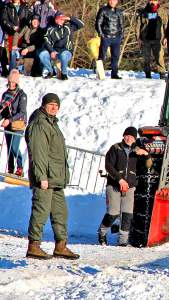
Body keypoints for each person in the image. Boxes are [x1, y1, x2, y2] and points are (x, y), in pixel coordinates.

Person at [25, 93, 79, 260]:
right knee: (41, 211)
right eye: (51, 104)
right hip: (45, 178)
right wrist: (41, 177)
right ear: (44, 105)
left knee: (60, 212)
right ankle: (34, 245)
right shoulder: (40, 124)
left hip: (55, 178)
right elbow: (38, 152)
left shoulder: (52, 123)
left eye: (56, 104)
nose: (54, 107)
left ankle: (61, 246)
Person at [97, 127, 148, 246]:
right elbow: (108, 166)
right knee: (113, 212)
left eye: (132, 136)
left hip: (129, 187)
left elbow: (148, 165)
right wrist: (119, 180)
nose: (129, 138)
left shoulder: (137, 151)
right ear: (123, 136)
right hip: (114, 185)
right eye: (127, 135)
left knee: (127, 214)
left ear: (135, 139)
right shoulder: (115, 148)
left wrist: (146, 155)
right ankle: (102, 233)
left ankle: (123, 241)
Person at [39, 11, 84, 80]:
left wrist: (70, 18)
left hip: (66, 51)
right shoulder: (50, 29)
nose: (61, 20)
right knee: (42, 54)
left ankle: (64, 73)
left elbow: (81, 24)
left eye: (62, 18)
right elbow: (46, 41)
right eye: (59, 18)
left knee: (64, 55)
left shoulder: (69, 27)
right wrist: (51, 51)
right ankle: (51, 71)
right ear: (55, 19)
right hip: (54, 52)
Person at [0, 69, 27, 176]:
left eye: (13, 82)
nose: (11, 83)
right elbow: (4, 111)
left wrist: (9, 120)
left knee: (14, 147)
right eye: (10, 81)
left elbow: (22, 112)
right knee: (9, 149)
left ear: (17, 82)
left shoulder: (21, 95)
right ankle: (10, 169)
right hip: (8, 125)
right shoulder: (5, 94)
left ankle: (20, 168)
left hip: (18, 124)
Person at [136, 0, 167, 78]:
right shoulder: (143, 12)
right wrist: (138, 38)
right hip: (145, 39)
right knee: (146, 58)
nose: (153, 2)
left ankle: (162, 74)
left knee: (159, 57)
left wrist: (166, 37)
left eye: (155, 1)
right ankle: (147, 74)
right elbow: (137, 26)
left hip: (158, 39)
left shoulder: (162, 11)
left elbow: (166, 26)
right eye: (152, 1)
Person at [95, 0, 124, 79]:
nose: (112, 2)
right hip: (106, 37)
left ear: (117, 2)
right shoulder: (103, 10)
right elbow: (98, 23)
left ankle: (114, 74)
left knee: (115, 56)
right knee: (102, 56)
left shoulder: (119, 11)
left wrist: (121, 35)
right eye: (110, 0)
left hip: (116, 38)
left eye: (114, 0)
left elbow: (121, 25)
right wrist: (102, 35)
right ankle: (100, 73)